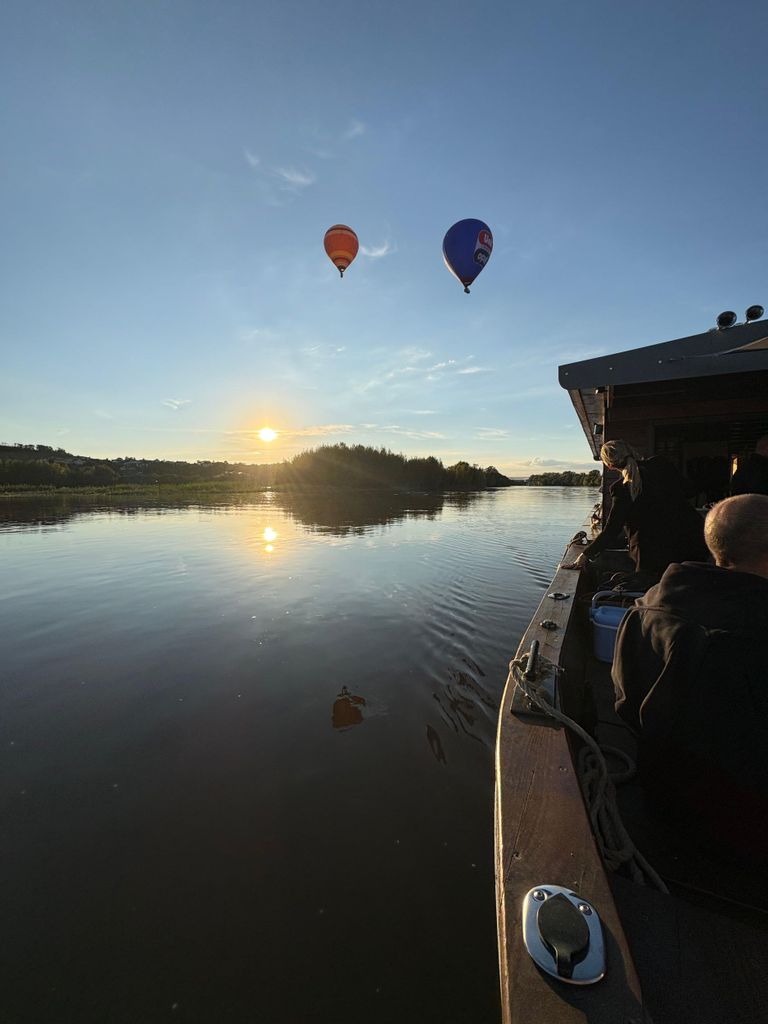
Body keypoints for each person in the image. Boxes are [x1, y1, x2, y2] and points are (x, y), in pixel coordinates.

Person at [612, 494, 768, 861]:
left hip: (661, 796)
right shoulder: (751, 635)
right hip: (738, 826)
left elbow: (623, 702)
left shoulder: (646, 606)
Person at [564, 439, 708, 583]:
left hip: (653, 557)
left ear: (609, 465)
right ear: (632, 451)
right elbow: (689, 491)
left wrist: (584, 555)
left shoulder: (621, 489)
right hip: (693, 542)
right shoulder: (661, 464)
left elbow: (612, 530)